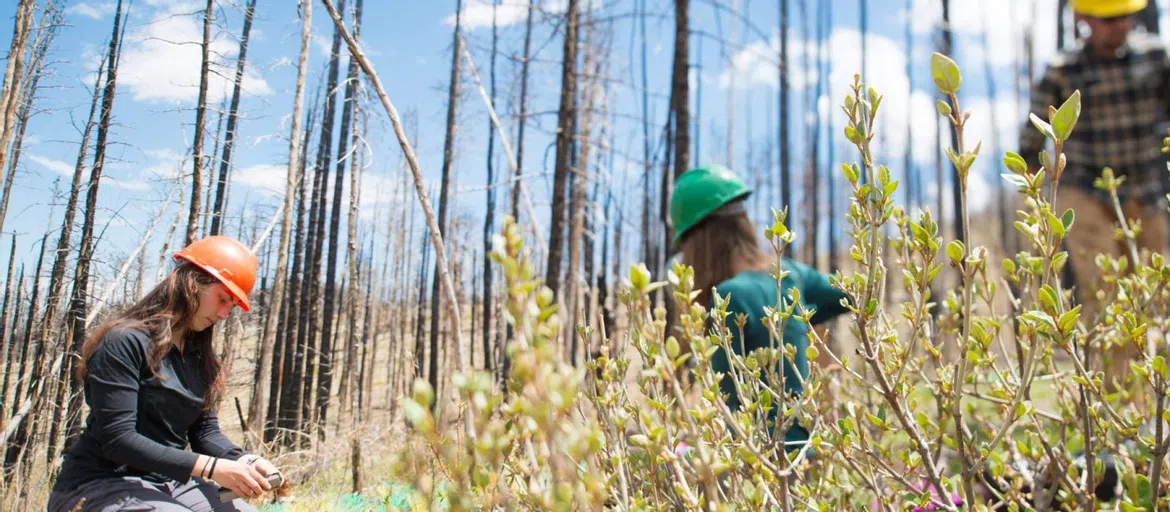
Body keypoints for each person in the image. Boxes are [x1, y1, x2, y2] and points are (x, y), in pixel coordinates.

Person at [48, 235, 280, 512]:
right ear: (192, 282)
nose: (223, 314)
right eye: (222, 299)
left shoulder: (199, 359)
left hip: (170, 482)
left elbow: (204, 433)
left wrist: (246, 460)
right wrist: (212, 468)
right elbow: (118, 440)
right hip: (100, 482)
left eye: (230, 306)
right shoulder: (124, 341)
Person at [1018, 0, 1170, 395]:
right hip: (1083, 192)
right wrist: (1035, 200)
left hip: (1145, 191)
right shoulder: (1062, 70)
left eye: (1123, 16)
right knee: (1107, 293)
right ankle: (1120, 403)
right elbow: (1030, 141)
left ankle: (1158, 396)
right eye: (1106, 19)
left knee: (1157, 289)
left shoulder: (1157, 58)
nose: (1117, 26)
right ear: (1083, 19)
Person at [669, 164, 850, 453]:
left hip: (757, 460)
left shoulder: (725, 298)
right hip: (805, 449)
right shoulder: (790, 274)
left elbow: (728, 403)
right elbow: (852, 294)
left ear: (697, 243)